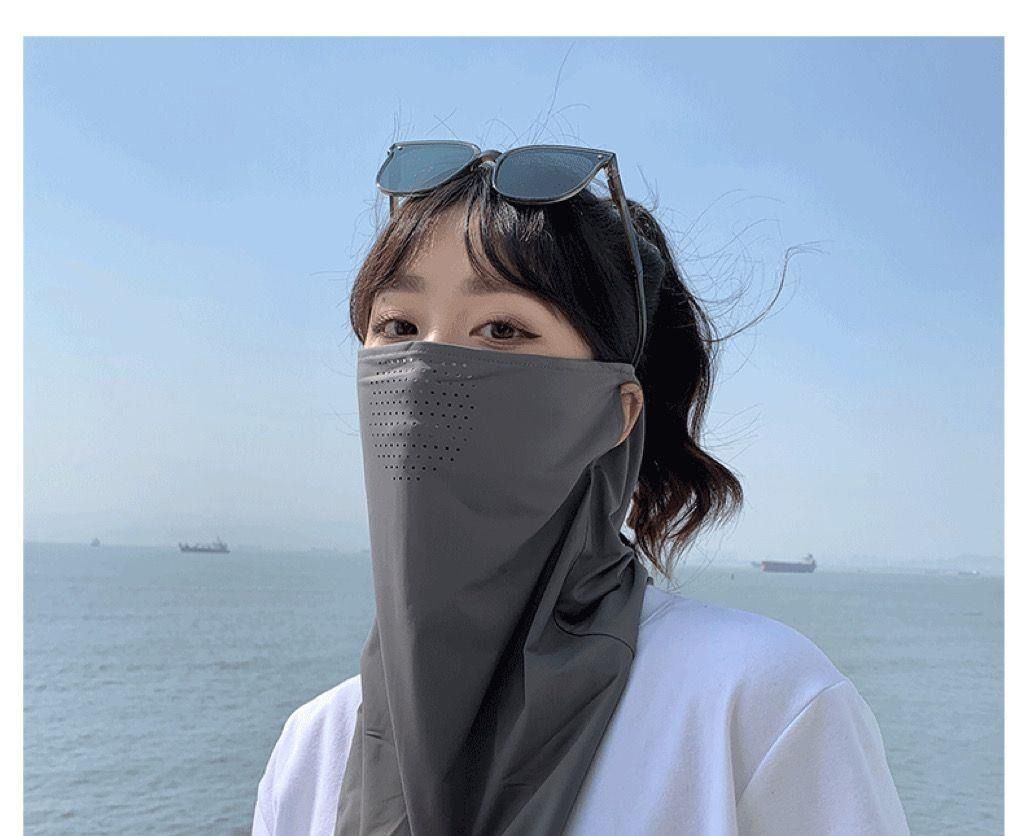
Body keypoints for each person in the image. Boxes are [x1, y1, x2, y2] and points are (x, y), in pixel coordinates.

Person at [251, 141, 911, 835]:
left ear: (614, 412)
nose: (426, 369)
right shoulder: (311, 752)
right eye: (399, 326)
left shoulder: (761, 709)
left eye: (502, 329)